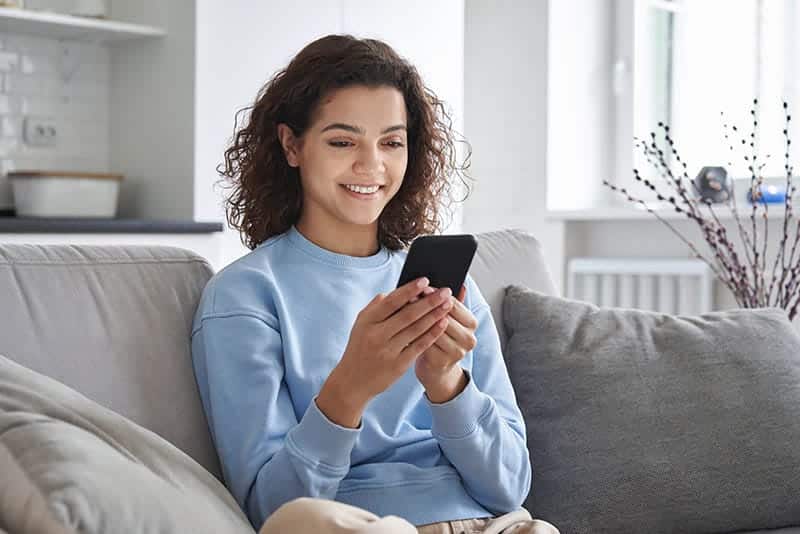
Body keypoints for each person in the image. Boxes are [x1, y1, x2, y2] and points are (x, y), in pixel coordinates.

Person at [190, 34, 559, 534]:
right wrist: (351, 386)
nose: (371, 165)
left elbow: (508, 488)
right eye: (342, 141)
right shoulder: (245, 296)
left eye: (391, 142)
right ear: (291, 144)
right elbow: (273, 510)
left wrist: (447, 384)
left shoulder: (445, 289)